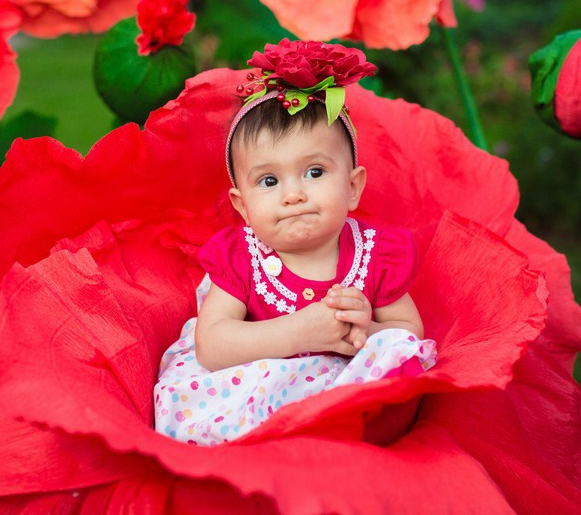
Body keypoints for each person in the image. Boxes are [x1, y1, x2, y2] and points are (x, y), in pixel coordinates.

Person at [154, 40, 436, 446]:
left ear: (353, 187)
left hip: (341, 390)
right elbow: (212, 346)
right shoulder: (241, 257)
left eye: (315, 172)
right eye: (269, 181)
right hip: (258, 392)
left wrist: (368, 329)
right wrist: (299, 332)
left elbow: (408, 332)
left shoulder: (375, 254)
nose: (293, 195)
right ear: (243, 206)